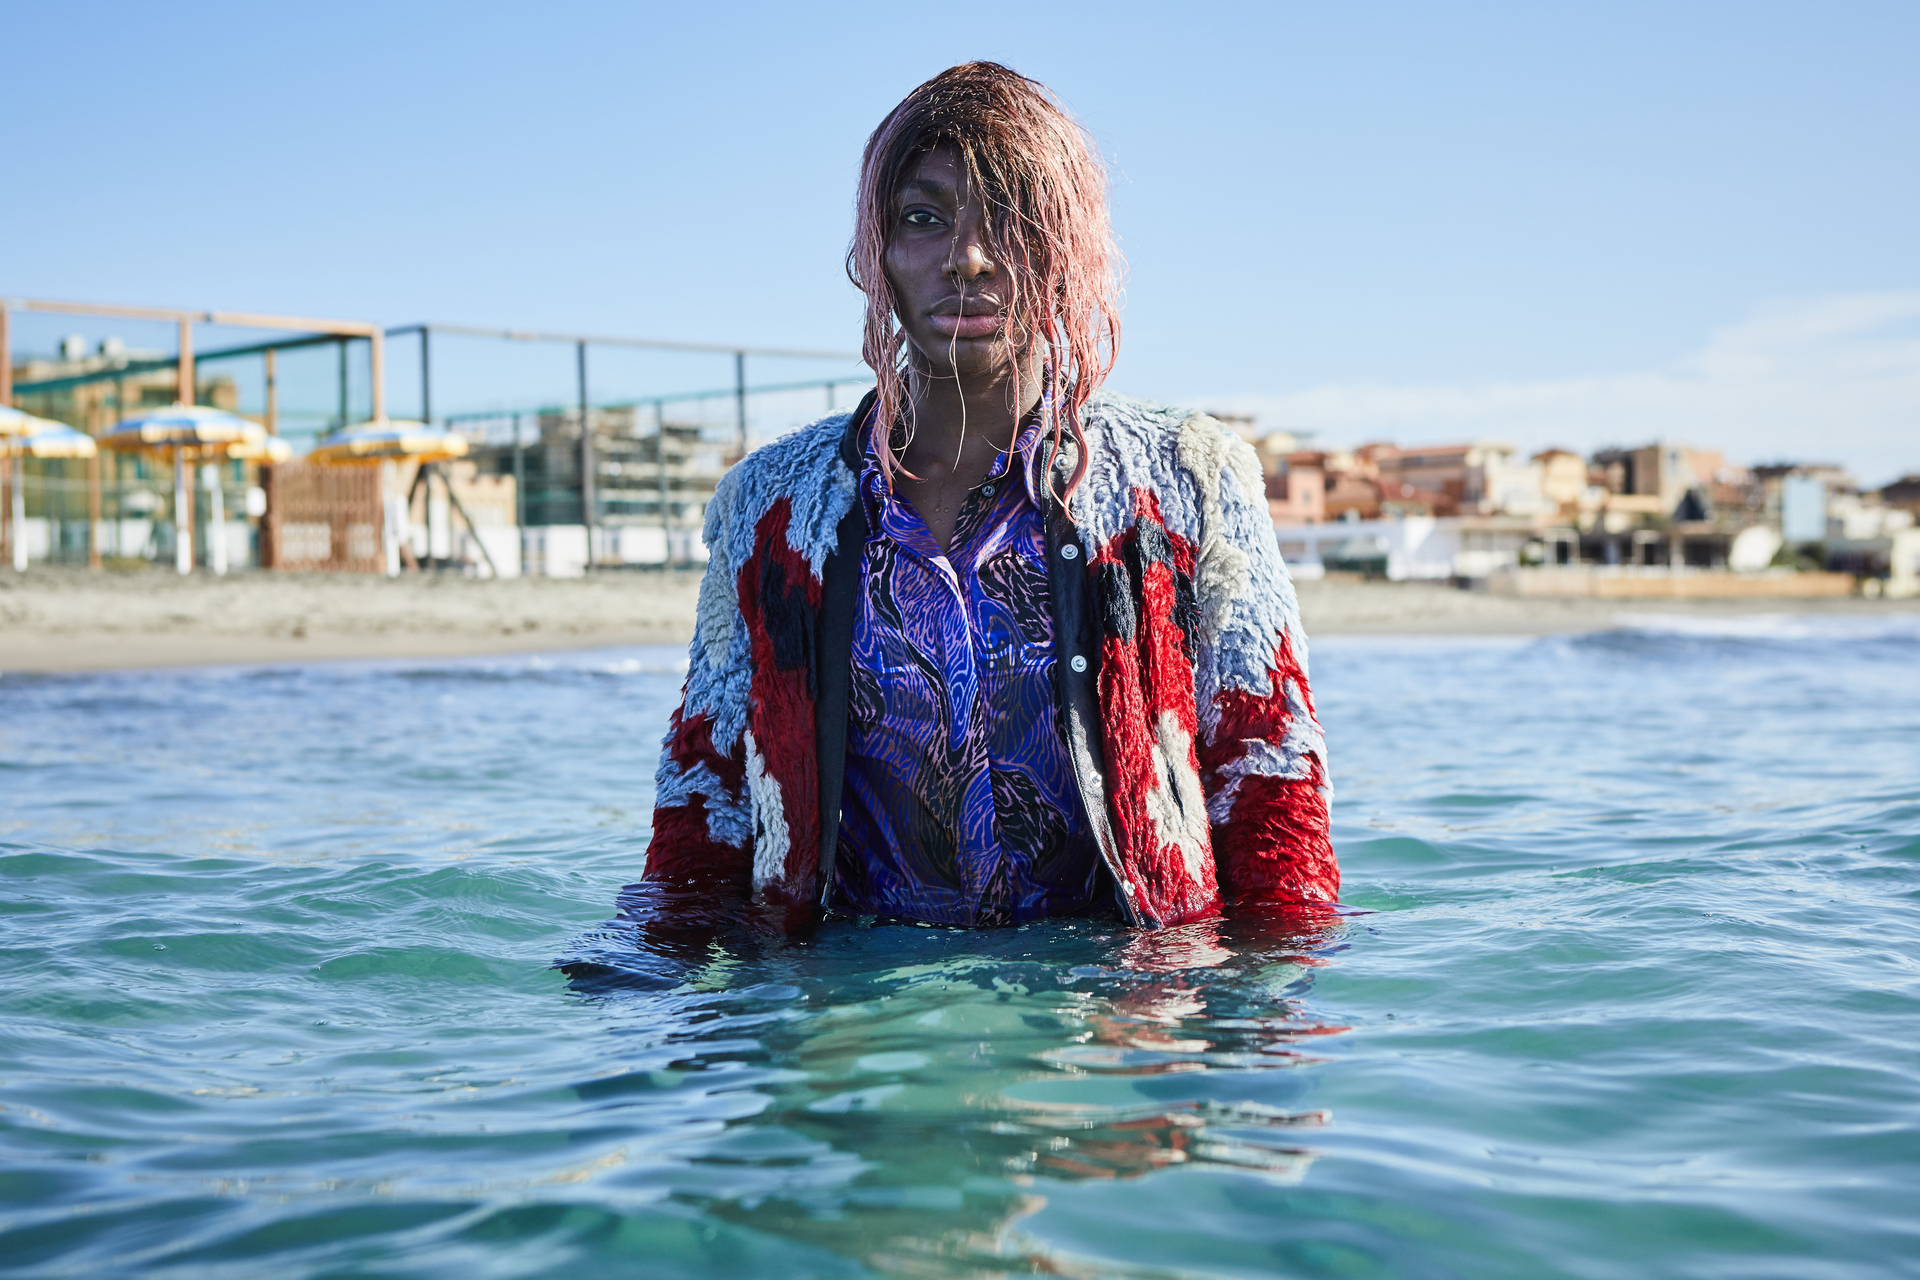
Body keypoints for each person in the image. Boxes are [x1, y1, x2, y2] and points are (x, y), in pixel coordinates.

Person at [620, 62, 1335, 940]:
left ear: (1068, 243)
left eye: (1014, 219)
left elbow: (1269, 773)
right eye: (923, 218)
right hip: (857, 1013)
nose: (968, 256)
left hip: (1123, 1014)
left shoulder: (1190, 481)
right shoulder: (772, 509)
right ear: (875, 251)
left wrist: (1261, 1023)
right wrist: (666, 1020)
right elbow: (707, 793)